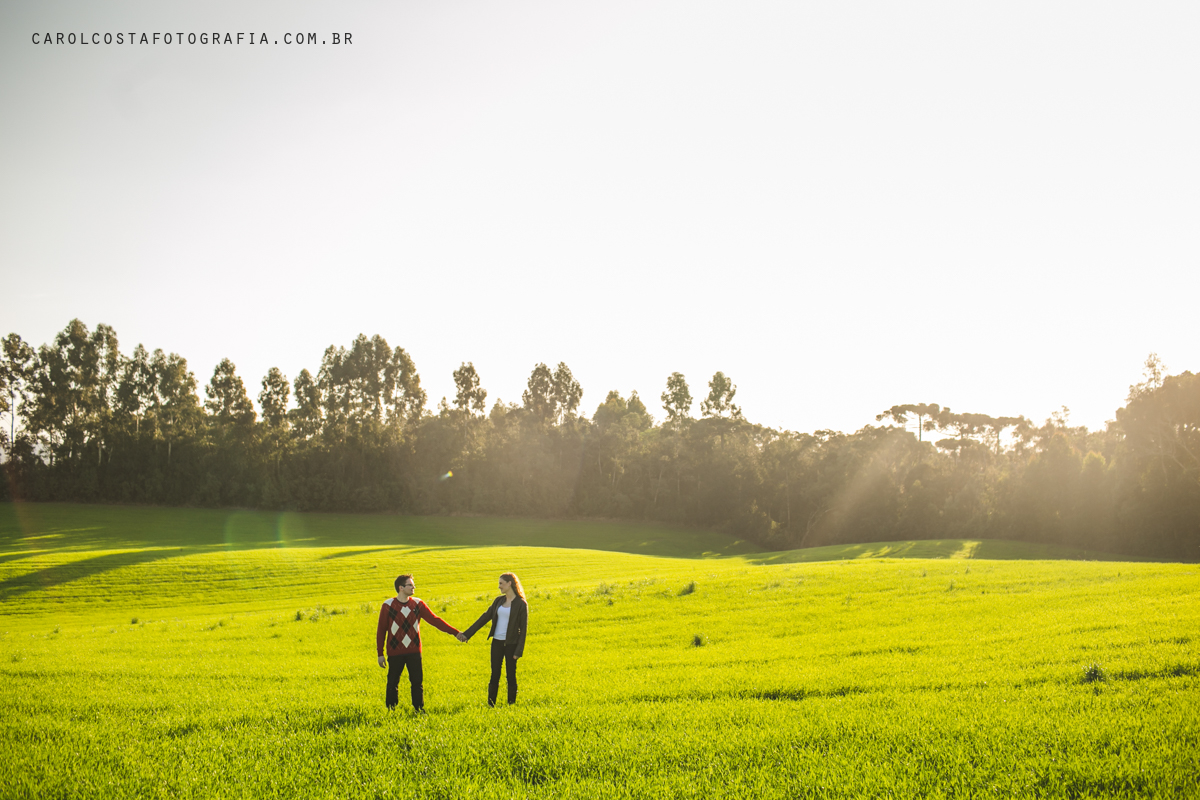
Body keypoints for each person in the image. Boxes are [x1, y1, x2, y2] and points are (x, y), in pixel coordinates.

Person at [376, 573, 462, 713]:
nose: (413, 587)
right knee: (392, 683)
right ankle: (391, 710)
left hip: (414, 651)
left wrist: (455, 632)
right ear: (401, 587)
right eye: (410, 585)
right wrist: (380, 654)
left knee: (417, 682)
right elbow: (381, 631)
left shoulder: (417, 604)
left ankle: (419, 709)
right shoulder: (388, 605)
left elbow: (435, 620)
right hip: (394, 652)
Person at [459, 572, 528, 706]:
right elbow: (484, 617)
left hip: (511, 644)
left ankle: (511, 704)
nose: (499, 587)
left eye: (501, 583)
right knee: (494, 674)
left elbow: (523, 630)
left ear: (510, 583)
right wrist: (467, 634)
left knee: (511, 676)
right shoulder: (498, 601)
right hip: (496, 642)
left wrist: (518, 651)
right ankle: (491, 704)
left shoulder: (521, 604)